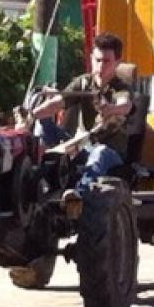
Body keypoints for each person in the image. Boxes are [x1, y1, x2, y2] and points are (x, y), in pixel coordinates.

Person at [30, 32, 135, 196]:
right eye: (98, 60)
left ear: (117, 63)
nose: (101, 66)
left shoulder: (120, 88)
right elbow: (58, 102)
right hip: (82, 144)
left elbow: (126, 105)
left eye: (106, 61)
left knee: (99, 152)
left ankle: (78, 195)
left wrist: (111, 109)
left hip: (109, 151)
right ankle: (37, 178)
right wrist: (31, 115)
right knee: (42, 121)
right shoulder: (84, 82)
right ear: (92, 58)